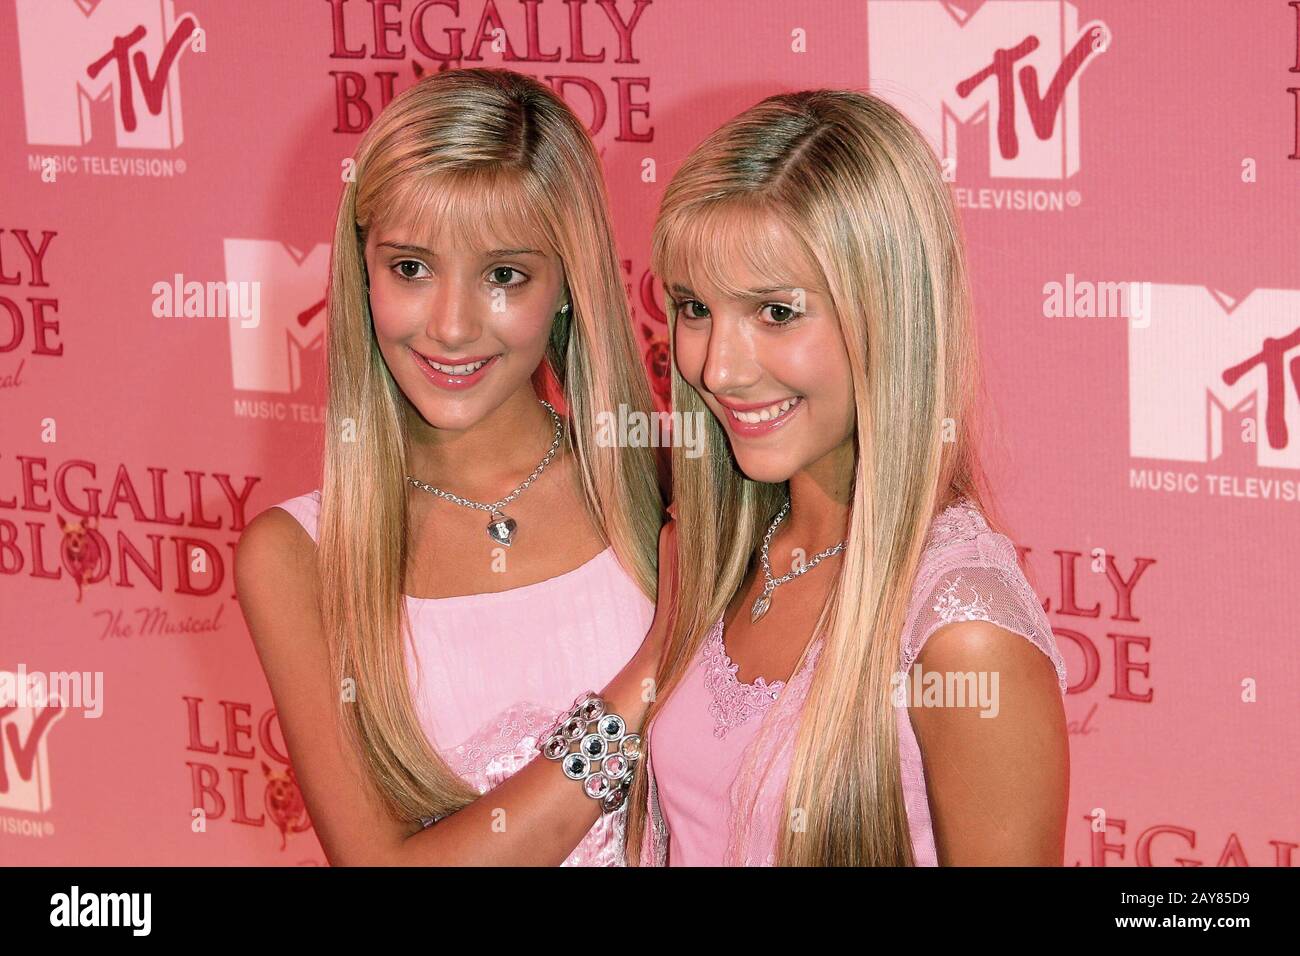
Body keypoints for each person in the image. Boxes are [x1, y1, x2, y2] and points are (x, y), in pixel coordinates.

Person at [625, 89, 1070, 866]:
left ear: (887, 314)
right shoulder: (713, 552)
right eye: (695, 308)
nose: (715, 367)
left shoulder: (960, 636)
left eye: (775, 312)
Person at [236, 68, 669, 866]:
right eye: (411, 268)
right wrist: (650, 671)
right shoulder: (298, 556)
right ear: (362, 274)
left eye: (504, 274)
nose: (452, 325)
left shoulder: (670, 487)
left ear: (569, 283)